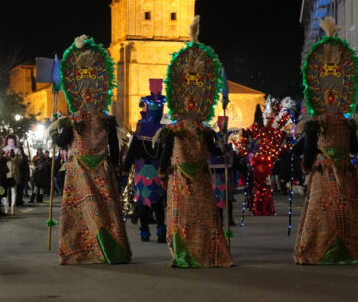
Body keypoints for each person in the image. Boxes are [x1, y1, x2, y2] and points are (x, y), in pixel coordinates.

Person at [294, 17, 358, 265]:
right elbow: (353, 148)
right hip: (345, 171)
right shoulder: (346, 121)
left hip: (323, 172)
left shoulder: (316, 121)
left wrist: (307, 165)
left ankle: (319, 249)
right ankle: (350, 249)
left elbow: (309, 149)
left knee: (321, 213)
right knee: (349, 211)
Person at [157, 16, 233, 268]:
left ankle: (185, 253)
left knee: (185, 217)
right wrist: (223, 151)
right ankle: (201, 252)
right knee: (202, 215)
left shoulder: (180, 129)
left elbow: (167, 152)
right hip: (195, 180)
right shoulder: (199, 129)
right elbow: (214, 151)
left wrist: (222, 150)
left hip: (183, 181)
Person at [50, 34, 131, 265]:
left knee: (79, 213)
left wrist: (54, 131)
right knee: (106, 209)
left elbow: (61, 141)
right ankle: (111, 250)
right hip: (103, 171)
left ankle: (81, 250)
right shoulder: (107, 119)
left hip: (78, 172)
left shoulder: (72, 119)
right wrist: (116, 167)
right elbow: (114, 147)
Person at [123, 79, 167, 243]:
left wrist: (125, 169)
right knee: (156, 202)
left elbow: (132, 151)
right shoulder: (164, 130)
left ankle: (145, 232)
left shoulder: (144, 129)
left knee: (143, 202)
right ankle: (160, 230)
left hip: (144, 171)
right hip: (156, 170)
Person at [5, 149, 22, 215]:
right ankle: (6, 207)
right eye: (10, 152)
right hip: (7, 177)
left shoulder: (16, 160)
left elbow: (20, 159)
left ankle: (12, 207)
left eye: (12, 152)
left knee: (13, 192)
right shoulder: (6, 159)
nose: (11, 154)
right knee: (6, 193)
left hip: (14, 177)